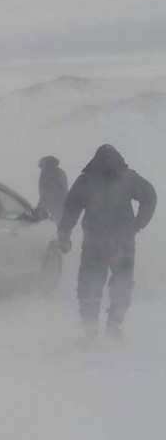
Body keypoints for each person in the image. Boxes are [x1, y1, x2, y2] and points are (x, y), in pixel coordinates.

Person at [57, 145, 156, 338]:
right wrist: (137, 224)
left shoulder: (86, 180)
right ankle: (113, 326)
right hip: (123, 241)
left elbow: (71, 208)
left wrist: (64, 233)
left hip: (94, 242)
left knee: (89, 286)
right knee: (122, 284)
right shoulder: (128, 177)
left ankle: (90, 331)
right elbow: (150, 196)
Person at [38, 156, 69, 224]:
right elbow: (64, 189)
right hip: (62, 203)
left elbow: (44, 192)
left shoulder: (45, 173)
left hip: (52, 204)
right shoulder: (61, 172)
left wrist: (40, 206)